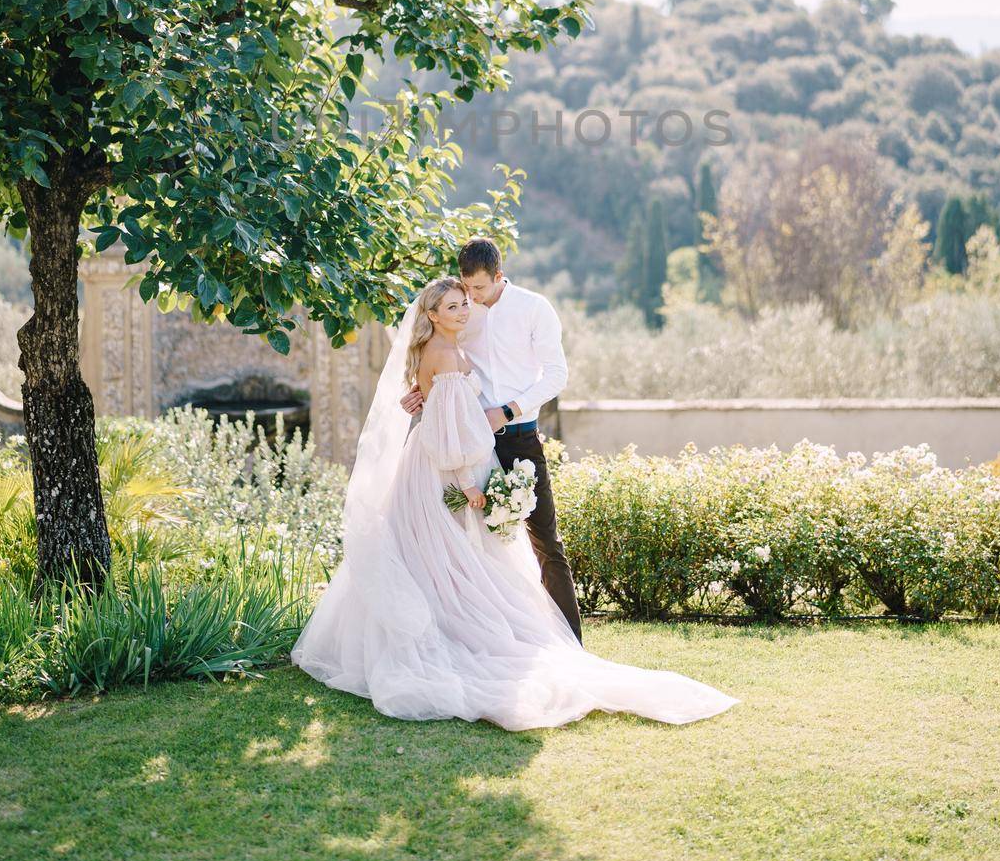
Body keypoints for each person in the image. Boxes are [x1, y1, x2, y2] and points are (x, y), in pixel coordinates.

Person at [290, 272, 740, 731]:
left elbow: (444, 408)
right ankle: (456, 639)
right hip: (443, 471)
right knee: (446, 558)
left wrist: (428, 400)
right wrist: (467, 482)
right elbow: (448, 431)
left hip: (448, 459)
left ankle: (473, 633)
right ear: (431, 315)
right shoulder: (445, 352)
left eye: (465, 301)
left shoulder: (458, 343)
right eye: (453, 306)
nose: (465, 310)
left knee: (450, 559)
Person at [400, 237, 582, 640]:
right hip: (467, 445)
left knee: (545, 542)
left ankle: (571, 643)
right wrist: (421, 394)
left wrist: (509, 410)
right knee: (471, 547)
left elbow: (556, 375)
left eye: (479, 289)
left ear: (499, 276)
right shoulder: (461, 314)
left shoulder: (535, 309)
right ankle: (478, 639)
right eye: (466, 289)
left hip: (518, 439)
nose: (471, 298)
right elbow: (442, 369)